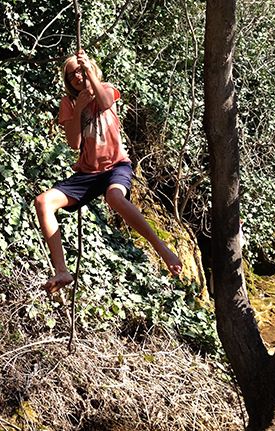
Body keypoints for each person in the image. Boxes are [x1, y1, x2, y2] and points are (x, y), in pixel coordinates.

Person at [35, 50, 182, 293]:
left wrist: (90, 74)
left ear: (90, 69)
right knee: (43, 202)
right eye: (72, 75)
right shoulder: (68, 103)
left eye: (80, 71)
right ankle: (61, 270)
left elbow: (104, 103)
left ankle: (162, 249)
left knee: (114, 197)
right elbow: (74, 142)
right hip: (87, 173)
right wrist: (79, 108)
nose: (77, 77)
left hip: (115, 166)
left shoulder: (106, 88)